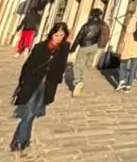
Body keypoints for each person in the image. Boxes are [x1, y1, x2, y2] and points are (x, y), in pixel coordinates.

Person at [10, 22, 70, 154]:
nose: (58, 38)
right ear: (51, 34)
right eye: (56, 35)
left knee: (33, 112)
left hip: (48, 85)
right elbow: (28, 66)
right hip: (33, 83)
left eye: (61, 35)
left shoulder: (64, 47)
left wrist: (57, 76)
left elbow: (61, 66)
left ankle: (22, 140)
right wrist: (22, 82)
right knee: (30, 112)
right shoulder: (40, 47)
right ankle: (20, 141)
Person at [69, 8, 110, 95]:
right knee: (86, 65)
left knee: (78, 64)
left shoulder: (86, 25)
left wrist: (73, 49)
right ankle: (81, 80)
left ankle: (78, 81)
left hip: (84, 46)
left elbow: (79, 37)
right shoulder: (102, 24)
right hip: (94, 47)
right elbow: (104, 36)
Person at [117, 14, 137, 92]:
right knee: (133, 68)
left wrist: (123, 42)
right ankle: (129, 85)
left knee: (123, 63)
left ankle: (122, 79)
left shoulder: (134, 18)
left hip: (129, 46)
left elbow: (128, 31)